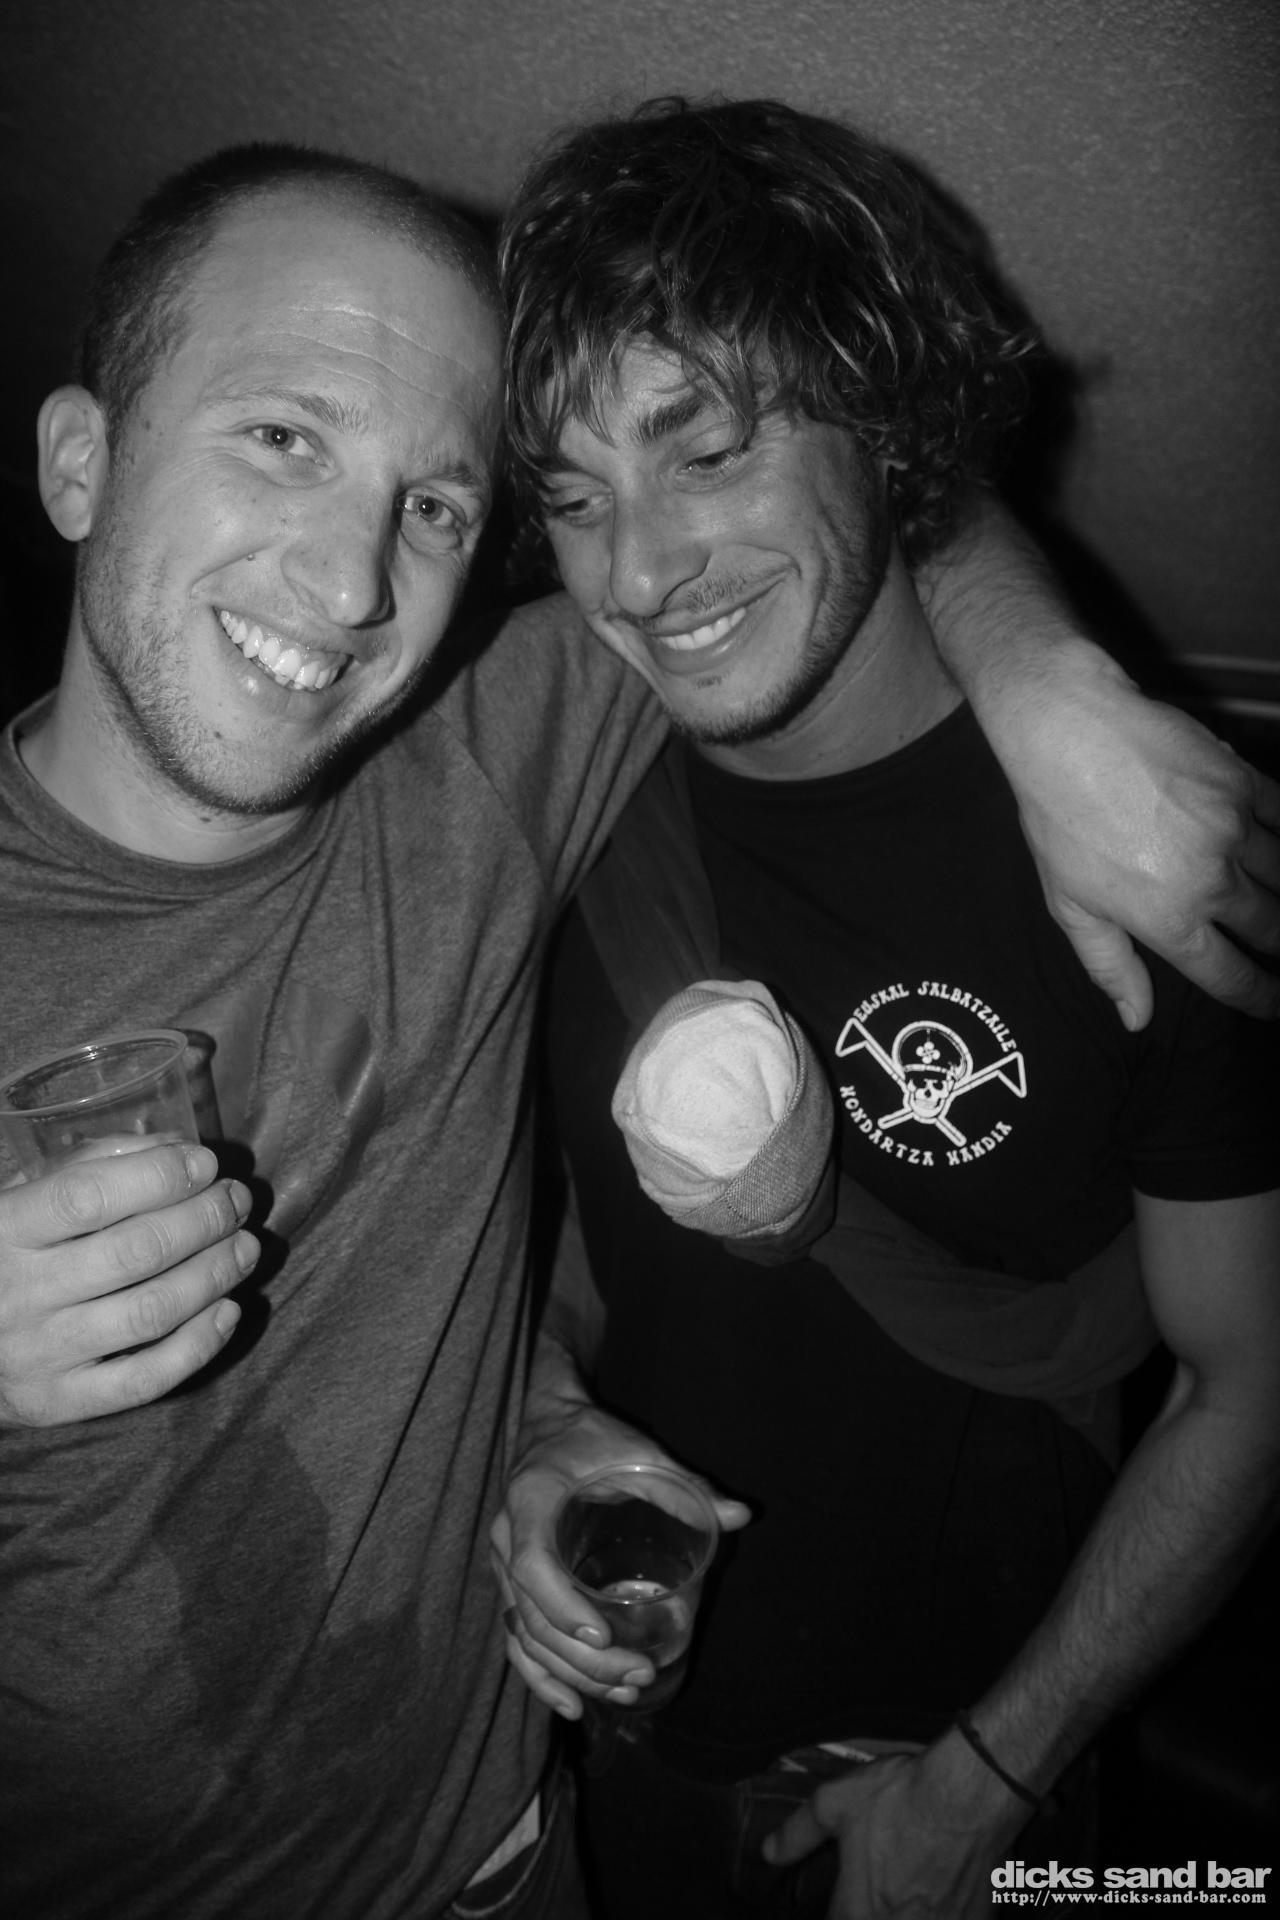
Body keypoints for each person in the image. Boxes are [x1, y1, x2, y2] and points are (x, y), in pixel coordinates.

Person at [0, 135, 1273, 1920]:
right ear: (78, 460)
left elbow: (875, 493)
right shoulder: (570, 742)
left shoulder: (501, 754)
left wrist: (1057, 685)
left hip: (546, 1840)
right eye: (281, 436)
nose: (352, 583)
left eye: (438, 507)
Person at [490, 97, 1280, 1918]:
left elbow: (1251, 1382)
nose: (641, 574)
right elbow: (561, 1240)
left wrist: (987, 1787)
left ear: (886, 417)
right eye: (581, 501)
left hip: (968, 1770)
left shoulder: (1140, 852)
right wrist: (539, 1415)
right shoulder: (573, 795)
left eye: (707, 452)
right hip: (625, 1733)